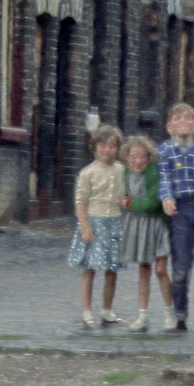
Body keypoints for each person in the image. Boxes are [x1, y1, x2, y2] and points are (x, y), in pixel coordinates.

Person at [155, 102, 194, 332]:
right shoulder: (164, 150)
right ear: (169, 127)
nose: (182, 121)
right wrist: (167, 198)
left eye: (187, 118)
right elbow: (164, 178)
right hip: (181, 209)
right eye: (177, 118)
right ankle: (180, 313)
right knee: (181, 266)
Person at [68, 125, 128, 328]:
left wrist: (127, 203)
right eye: (102, 145)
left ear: (118, 148)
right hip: (94, 222)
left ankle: (107, 310)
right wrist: (85, 227)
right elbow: (80, 202)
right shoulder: (88, 173)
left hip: (115, 223)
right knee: (90, 268)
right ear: (94, 147)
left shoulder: (123, 171)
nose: (107, 150)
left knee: (112, 269)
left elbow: (127, 196)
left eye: (112, 146)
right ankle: (87, 311)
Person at [118, 136, 172, 330]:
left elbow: (152, 204)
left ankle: (170, 313)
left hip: (157, 225)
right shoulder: (125, 172)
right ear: (127, 157)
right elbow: (121, 195)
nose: (138, 161)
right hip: (138, 226)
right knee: (144, 269)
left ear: (149, 157)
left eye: (142, 156)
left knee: (161, 269)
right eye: (133, 156)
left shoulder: (153, 172)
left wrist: (130, 203)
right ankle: (143, 315)